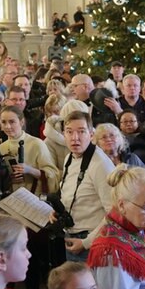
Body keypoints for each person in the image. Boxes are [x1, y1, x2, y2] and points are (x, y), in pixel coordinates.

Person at [58, 110, 116, 262]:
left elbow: (114, 212)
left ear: (91, 135)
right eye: (69, 132)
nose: (74, 138)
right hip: (72, 236)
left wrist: (86, 243)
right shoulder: (69, 157)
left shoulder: (100, 164)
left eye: (81, 132)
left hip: (92, 241)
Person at [0, 106, 59, 196]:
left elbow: (53, 175)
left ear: (22, 122)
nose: (7, 126)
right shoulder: (0, 148)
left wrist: (30, 170)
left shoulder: (36, 144)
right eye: (4, 122)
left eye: (12, 122)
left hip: (35, 197)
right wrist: (9, 180)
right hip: (11, 198)